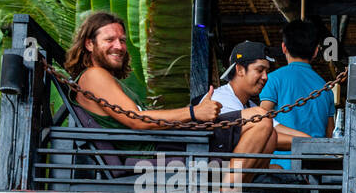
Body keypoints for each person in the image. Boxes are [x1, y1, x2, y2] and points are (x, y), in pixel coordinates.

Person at [67, 11, 275, 181]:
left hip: (168, 139)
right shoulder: (94, 75)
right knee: (260, 119)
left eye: (122, 40)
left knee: (269, 134)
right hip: (158, 148)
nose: (119, 46)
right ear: (89, 44)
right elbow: (136, 120)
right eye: (109, 40)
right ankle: (226, 192)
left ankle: (234, 188)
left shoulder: (100, 77)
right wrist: (194, 112)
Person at [258, 19, 336, 170]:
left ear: (284, 47)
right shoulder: (325, 88)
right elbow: (330, 135)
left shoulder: (273, 79)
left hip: (281, 169)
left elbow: (261, 121)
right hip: (315, 171)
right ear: (316, 51)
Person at [212, 41, 275, 113]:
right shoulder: (221, 102)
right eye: (260, 70)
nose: (265, 77)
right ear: (240, 70)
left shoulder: (249, 105)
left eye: (267, 72)